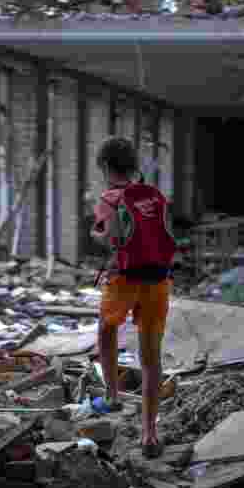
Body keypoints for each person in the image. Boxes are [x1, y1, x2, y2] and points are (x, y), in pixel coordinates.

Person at [90, 137, 177, 459]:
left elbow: (111, 239)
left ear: (105, 166)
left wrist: (95, 235)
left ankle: (112, 395)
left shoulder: (110, 198)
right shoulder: (154, 196)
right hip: (158, 280)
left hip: (125, 279)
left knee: (106, 329)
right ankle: (150, 433)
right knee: (151, 355)